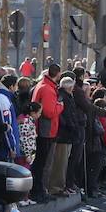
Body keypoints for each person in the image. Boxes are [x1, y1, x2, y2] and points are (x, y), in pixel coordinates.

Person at [30, 64, 64, 203]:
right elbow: (49, 112)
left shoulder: (43, 85)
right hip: (46, 130)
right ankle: (38, 192)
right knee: (41, 164)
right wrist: (60, 106)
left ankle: (38, 191)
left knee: (40, 163)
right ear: (57, 74)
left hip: (43, 129)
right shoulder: (48, 89)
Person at [0, 75, 21, 162]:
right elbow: (7, 125)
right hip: (4, 148)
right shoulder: (3, 100)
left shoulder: (2, 97)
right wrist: (12, 147)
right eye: (16, 86)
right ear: (11, 86)